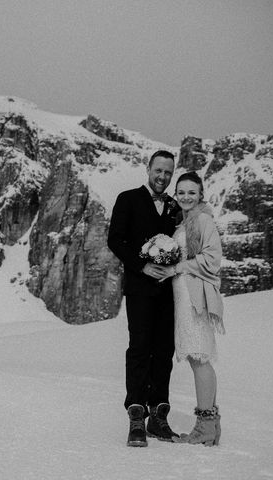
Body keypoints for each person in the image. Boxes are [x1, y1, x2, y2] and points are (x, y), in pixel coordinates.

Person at [107, 150, 181, 447]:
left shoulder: (175, 207)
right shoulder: (127, 199)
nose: (162, 176)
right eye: (158, 170)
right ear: (148, 169)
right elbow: (115, 239)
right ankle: (136, 415)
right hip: (138, 289)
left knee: (164, 351)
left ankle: (158, 416)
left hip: (169, 292)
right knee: (139, 348)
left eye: (168, 172)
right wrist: (141, 264)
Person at [158, 171, 225, 446]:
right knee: (198, 358)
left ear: (200, 195)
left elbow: (212, 259)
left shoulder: (202, 219)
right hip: (183, 297)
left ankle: (205, 426)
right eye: (181, 192)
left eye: (191, 192)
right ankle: (210, 427)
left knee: (200, 357)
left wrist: (176, 267)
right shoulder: (185, 222)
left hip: (194, 297)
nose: (186, 197)